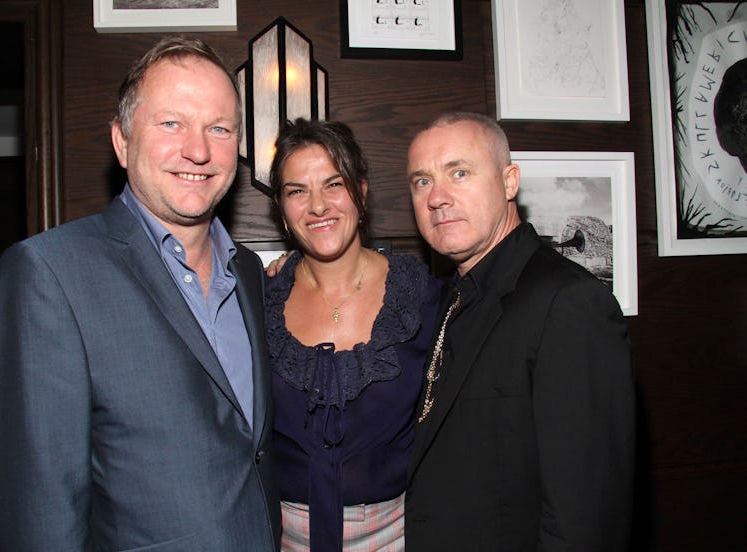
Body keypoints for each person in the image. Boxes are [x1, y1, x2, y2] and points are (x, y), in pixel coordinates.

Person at [0, 36, 280, 551]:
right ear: (121, 141)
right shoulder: (48, 274)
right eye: (170, 123)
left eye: (219, 128)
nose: (199, 149)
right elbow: (36, 510)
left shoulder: (248, 270)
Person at [404, 112, 636, 550]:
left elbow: (586, 519)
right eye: (422, 181)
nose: (437, 197)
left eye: (459, 172)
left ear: (509, 182)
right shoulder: (447, 295)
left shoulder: (568, 303)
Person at [265, 118, 441, 551]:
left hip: (400, 535)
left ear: (361, 192)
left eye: (334, 184)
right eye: (296, 191)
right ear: (282, 209)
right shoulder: (256, 301)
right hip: (280, 536)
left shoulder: (422, 297)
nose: (317, 206)